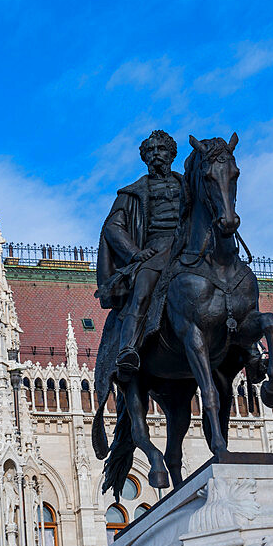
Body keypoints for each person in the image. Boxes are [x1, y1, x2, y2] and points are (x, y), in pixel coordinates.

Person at [96, 130, 183, 380]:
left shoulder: (189, 186)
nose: (156, 154)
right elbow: (113, 227)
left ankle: (251, 347)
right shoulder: (131, 193)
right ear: (145, 157)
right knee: (143, 288)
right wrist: (135, 254)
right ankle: (128, 349)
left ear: (172, 154)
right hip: (155, 249)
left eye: (162, 149)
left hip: (188, 247)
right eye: (151, 150)